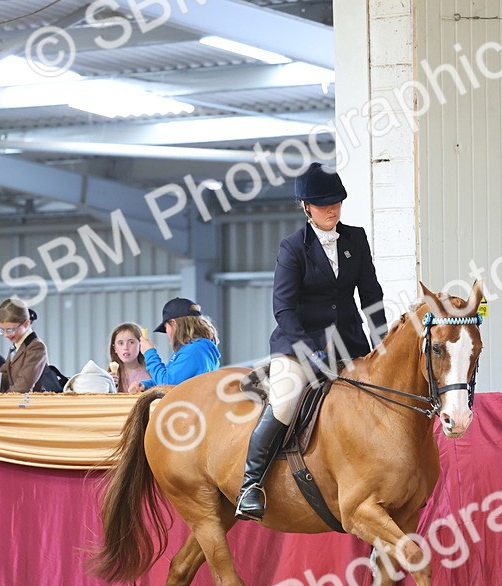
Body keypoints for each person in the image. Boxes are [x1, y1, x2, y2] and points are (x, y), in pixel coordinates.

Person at [235, 162, 387, 521]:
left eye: (336, 202)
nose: (332, 209)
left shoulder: (356, 239)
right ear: (307, 207)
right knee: (285, 402)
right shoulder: (292, 247)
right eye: (323, 204)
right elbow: (283, 309)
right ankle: (250, 485)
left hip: (350, 343)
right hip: (299, 345)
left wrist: (381, 345)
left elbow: (371, 297)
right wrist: (309, 352)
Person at [131, 298, 221, 393]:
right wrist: (146, 385)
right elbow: (174, 380)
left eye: (166, 327)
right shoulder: (193, 349)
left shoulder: (193, 351)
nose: (167, 333)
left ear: (173, 323)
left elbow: (167, 385)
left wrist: (149, 353)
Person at [0, 299, 49, 393]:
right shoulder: (16, 347)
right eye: (1, 330)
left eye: (10, 330)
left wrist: (1, 400)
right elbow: (3, 385)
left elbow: (22, 388)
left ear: (26, 324)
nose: (6, 335)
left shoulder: (36, 347)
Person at [108, 322, 152, 393]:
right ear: (114, 348)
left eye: (131, 342)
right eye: (121, 343)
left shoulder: (151, 373)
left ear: (140, 345)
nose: (126, 347)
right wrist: (109, 386)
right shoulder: (108, 377)